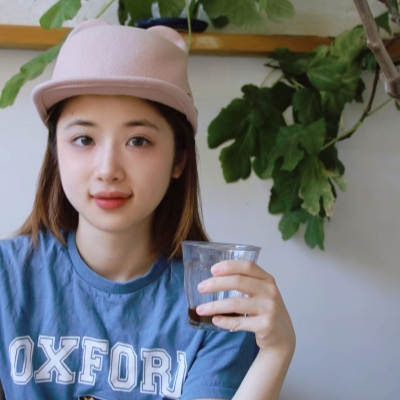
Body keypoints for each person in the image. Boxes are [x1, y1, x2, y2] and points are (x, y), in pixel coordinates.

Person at [0, 19, 296, 400]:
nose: (108, 169)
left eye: (138, 140)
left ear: (179, 158)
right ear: (56, 151)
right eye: (84, 139)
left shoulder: (215, 301)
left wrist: (276, 352)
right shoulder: (8, 279)